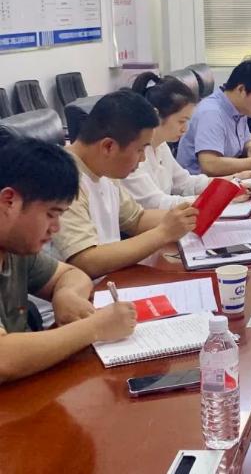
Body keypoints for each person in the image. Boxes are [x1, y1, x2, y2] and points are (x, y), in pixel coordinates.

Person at [0, 137, 137, 384]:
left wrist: (65, 295)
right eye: (50, 214)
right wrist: (96, 327)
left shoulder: (14, 250)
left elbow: (71, 275)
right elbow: (4, 359)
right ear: (9, 201)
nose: (56, 228)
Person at [51, 91, 198, 279]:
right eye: (140, 149)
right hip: (84, 290)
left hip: (113, 280)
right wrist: (163, 233)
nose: (143, 158)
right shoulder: (63, 178)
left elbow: (136, 219)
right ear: (108, 146)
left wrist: (190, 216)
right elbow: (85, 260)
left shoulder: (104, 168)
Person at [123, 72, 251, 210]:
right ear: (156, 116)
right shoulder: (132, 155)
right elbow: (157, 203)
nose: (185, 128)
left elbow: (186, 183)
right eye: (181, 121)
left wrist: (233, 179)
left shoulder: (160, 145)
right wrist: (220, 197)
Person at [177, 59, 251, 176]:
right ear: (241, 90)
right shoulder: (211, 113)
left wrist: (250, 148)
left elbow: (245, 141)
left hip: (228, 177)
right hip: (203, 184)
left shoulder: (240, 108)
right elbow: (210, 165)